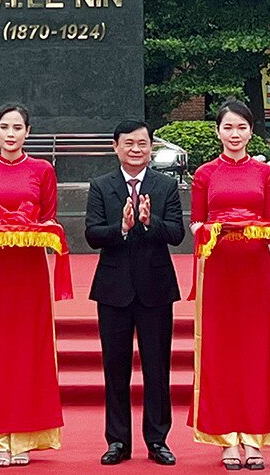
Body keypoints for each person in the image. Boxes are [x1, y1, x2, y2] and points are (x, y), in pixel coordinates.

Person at [191, 100, 270, 471]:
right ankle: (225, 440)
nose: (234, 135)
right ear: (217, 131)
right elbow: (196, 225)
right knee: (220, 352)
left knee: (256, 351)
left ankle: (254, 438)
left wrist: (252, 228)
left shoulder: (265, 174)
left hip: (254, 270)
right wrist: (216, 229)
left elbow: (269, 225)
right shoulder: (205, 173)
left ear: (252, 131)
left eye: (241, 128)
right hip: (218, 269)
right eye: (228, 128)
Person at [0, 104, 67, 466]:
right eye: (4, 127)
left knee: (29, 348)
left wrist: (31, 230)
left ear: (28, 132)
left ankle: (24, 436)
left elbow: (50, 219)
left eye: (17, 127)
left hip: (29, 270)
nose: (10, 133)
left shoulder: (43, 170)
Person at [83, 119, 184, 467]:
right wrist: (122, 227)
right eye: (129, 143)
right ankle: (118, 441)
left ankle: (157, 440)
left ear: (151, 147)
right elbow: (92, 234)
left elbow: (176, 233)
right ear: (116, 147)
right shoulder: (101, 186)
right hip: (113, 290)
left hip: (155, 290)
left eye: (142, 143)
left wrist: (147, 222)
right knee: (115, 368)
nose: (136, 149)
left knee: (157, 368)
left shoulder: (166, 185)